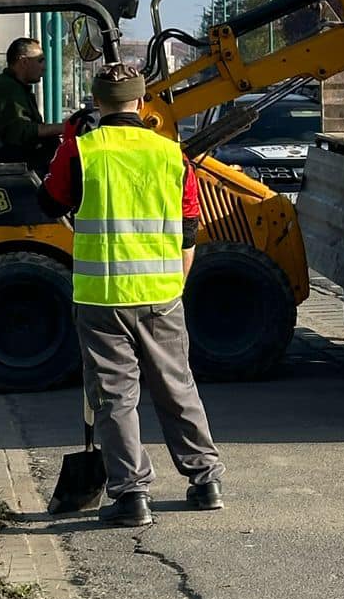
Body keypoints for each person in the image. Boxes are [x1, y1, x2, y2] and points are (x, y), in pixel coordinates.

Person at [41, 66, 224, 528]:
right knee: (176, 384)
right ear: (142, 105)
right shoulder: (170, 155)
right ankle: (205, 482)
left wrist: (68, 140)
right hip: (162, 292)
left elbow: (50, 203)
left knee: (116, 396)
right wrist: (177, 284)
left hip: (103, 297)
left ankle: (131, 495)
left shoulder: (83, 151)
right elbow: (188, 229)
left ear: (96, 103)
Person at [0, 37, 62, 171]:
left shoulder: (15, 87)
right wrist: (62, 127)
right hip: (24, 165)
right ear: (24, 62)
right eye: (40, 61)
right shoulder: (9, 90)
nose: (44, 67)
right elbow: (20, 132)